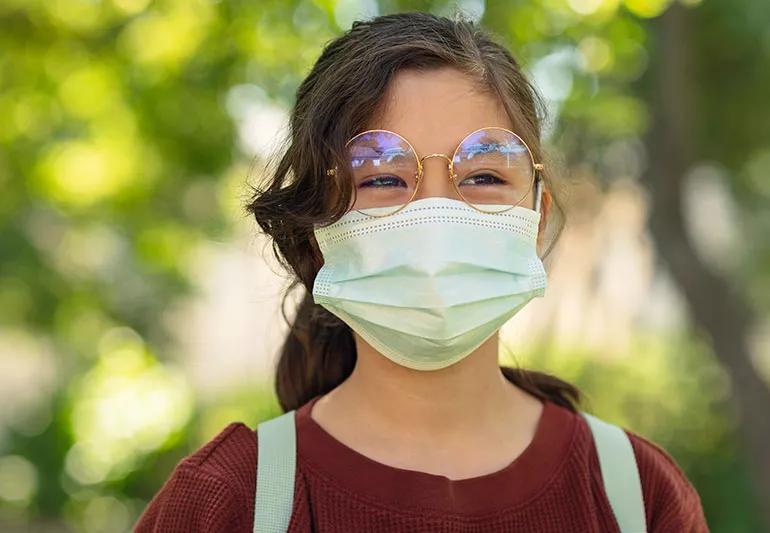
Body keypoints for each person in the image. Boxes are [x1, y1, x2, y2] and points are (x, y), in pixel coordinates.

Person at [135, 11, 708, 533]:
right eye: (382, 178)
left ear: (536, 217)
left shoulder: (637, 495)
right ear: (318, 229)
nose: (438, 213)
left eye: (484, 175)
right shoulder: (226, 502)